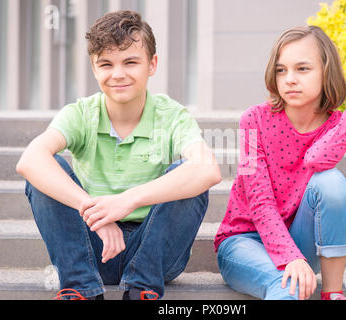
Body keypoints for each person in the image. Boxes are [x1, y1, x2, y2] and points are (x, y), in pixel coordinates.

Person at [16, 10, 221, 300]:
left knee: (188, 174)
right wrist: (98, 213)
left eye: (130, 62)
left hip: (154, 250)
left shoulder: (171, 115)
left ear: (152, 65)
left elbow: (209, 170)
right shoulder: (81, 114)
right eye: (106, 64)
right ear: (94, 68)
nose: (118, 74)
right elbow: (30, 160)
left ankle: (141, 289)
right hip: (92, 247)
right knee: (45, 172)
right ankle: (80, 289)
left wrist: (125, 202)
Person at [214, 25, 346, 300]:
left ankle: (332, 293)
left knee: (331, 182)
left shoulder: (337, 125)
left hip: (300, 242)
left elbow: (316, 159)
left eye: (302, 69)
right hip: (243, 242)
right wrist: (289, 256)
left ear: (326, 71)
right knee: (286, 285)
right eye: (281, 70)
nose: (290, 79)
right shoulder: (252, 120)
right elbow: (259, 201)